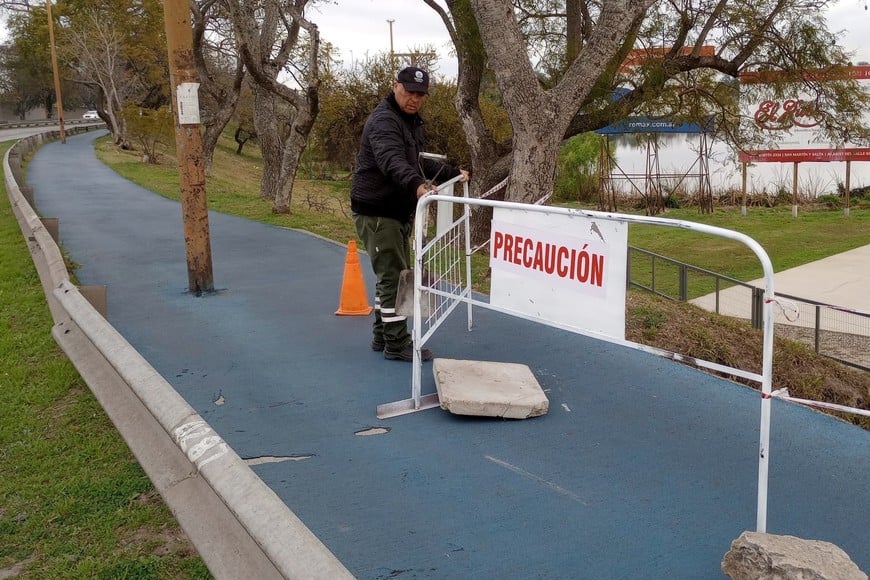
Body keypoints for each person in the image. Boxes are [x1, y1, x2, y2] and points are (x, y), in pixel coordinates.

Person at [350, 66, 469, 362]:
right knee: (392, 277)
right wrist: (417, 187)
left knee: (392, 275)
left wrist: (453, 173)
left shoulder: (410, 122)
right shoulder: (384, 121)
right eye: (409, 91)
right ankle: (396, 343)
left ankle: (382, 335)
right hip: (378, 211)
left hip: (395, 211)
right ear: (395, 86)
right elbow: (392, 161)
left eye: (420, 94)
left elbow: (415, 161)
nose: (414, 98)